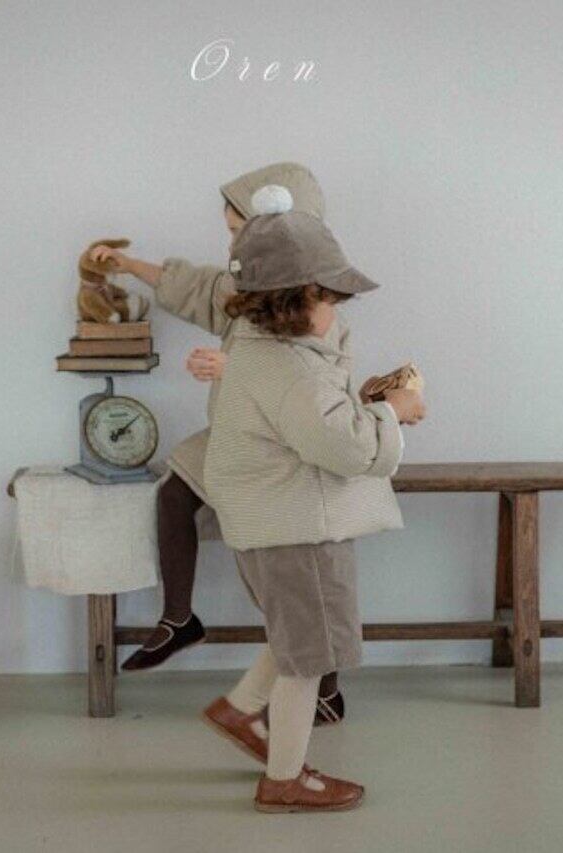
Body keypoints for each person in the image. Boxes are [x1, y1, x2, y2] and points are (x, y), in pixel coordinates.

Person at [88, 163, 348, 725]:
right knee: (175, 491)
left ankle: (324, 687)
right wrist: (127, 265)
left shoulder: (316, 300)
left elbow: (315, 380)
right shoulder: (245, 286)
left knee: (287, 582)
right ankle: (179, 617)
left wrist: (234, 367)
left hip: (284, 452)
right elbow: (198, 289)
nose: (231, 244)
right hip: (239, 434)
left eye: (238, 231)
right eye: (231, 232)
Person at [198, 206, 426, 812]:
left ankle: (241, 708)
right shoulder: (292, 368)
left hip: (271, 522)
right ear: (298, 300)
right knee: (310, 658)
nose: (337, 312)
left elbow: (314, 421)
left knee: (299, 631)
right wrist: (392, 412)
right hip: (298, 528)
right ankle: (285, 779)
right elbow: (344, 447)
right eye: (330, 299)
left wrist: (364, 402)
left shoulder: (256, 348)